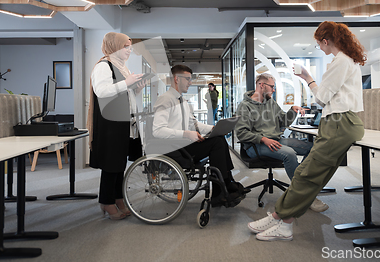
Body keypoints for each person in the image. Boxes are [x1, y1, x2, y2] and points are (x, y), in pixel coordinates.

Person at [248, 21, 366, 241]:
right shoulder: (347, 61)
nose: (320, 48)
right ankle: (282, 219)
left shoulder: (340, 62)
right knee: (312, 176)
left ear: (326, 40)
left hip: (339, 123)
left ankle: (279, 218)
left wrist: (307, 77)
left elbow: (321, 98)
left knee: (305, 175)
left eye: (319, 44)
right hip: (342, 123)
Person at [153, 65, 248, 207]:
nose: (190, 82)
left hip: (184, 144)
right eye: (187, 79)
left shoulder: (182, 101)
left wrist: (214, 128)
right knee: (216, 144)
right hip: (174, 148)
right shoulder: (166, 100)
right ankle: (221, 190)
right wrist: (186, 134)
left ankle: (226, 182)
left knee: (219, 138)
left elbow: (194, 125)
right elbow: (157, 130)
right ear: (176, 79)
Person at [235, 73, 328, 212]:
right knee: (289, 153)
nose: (273, 90)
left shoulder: (270, 102)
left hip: (275, 139)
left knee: (313, 148)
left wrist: (292, 111)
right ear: (261, 85)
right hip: (256, 145)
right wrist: (264, 139)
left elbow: (283, 121)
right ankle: (303, 196)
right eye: (272, 87)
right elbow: (241, 133)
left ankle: (301, 183)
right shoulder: (244, 106)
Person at [87, 32, 145, 220]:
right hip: (110, 123)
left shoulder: (121, 67)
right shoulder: (103, 66)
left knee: (119, 163)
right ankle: (106, 202)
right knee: (111, 164)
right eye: (125, 46)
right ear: (114, 46)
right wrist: (126, 83)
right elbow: (102, 91)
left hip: (122, 122)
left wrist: (136, 87)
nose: (129, 50)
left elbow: (124, 95)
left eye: (129, 46)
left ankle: (118, 198)